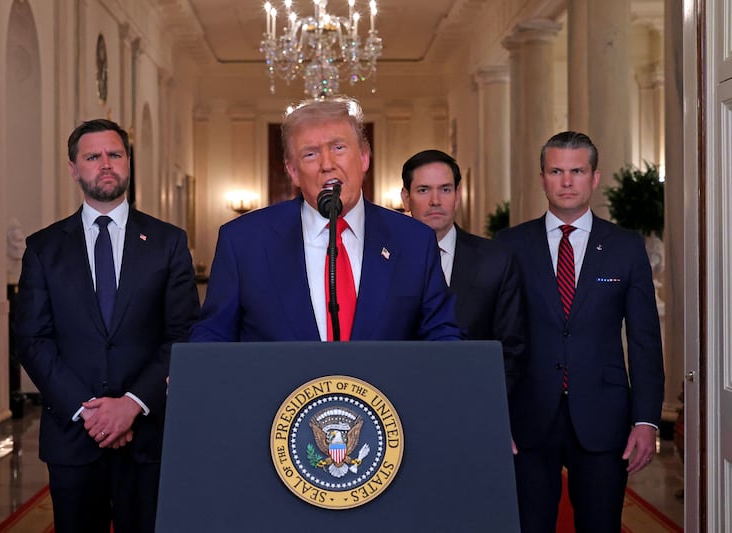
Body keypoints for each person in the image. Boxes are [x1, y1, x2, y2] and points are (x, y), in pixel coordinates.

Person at [14, 119, 201, 533]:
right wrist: (91, 412)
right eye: (92, 156)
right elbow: (32, 339)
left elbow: (183, 334)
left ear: (128, 163)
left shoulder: (168, 242)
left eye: (114, 155)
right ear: (74, 168)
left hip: (148, 435)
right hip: (73, 434)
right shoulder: (44, 248)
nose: (105, 164)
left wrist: (131, 404)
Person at [495, 131, 665, 532]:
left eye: (576, 171)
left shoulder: (625, 246)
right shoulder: (509, 245)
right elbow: (495, 338)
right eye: (556, 171)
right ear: (542, 178)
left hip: (604, 416)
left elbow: (644, 340)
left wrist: (647, 420)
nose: (566, 181)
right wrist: (493, 416)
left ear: (594, 177)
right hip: (527, 416)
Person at [189, 97, 460, 342]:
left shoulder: (413, 240)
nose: (327, 164)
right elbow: (213, 334)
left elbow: (441, 334)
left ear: (364, 157)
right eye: (310, 154)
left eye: (338, 147)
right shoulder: (244, 241)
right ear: (293, 171)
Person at [401, 149, 526, 394]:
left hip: (476, 402)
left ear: (458, 195)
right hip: (397, 407)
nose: (435, 200)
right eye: (424, 190)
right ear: (406, 198)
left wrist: (488, 412)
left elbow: (512, 349)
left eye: (445, 189)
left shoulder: (496, 260)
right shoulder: (381, 261)